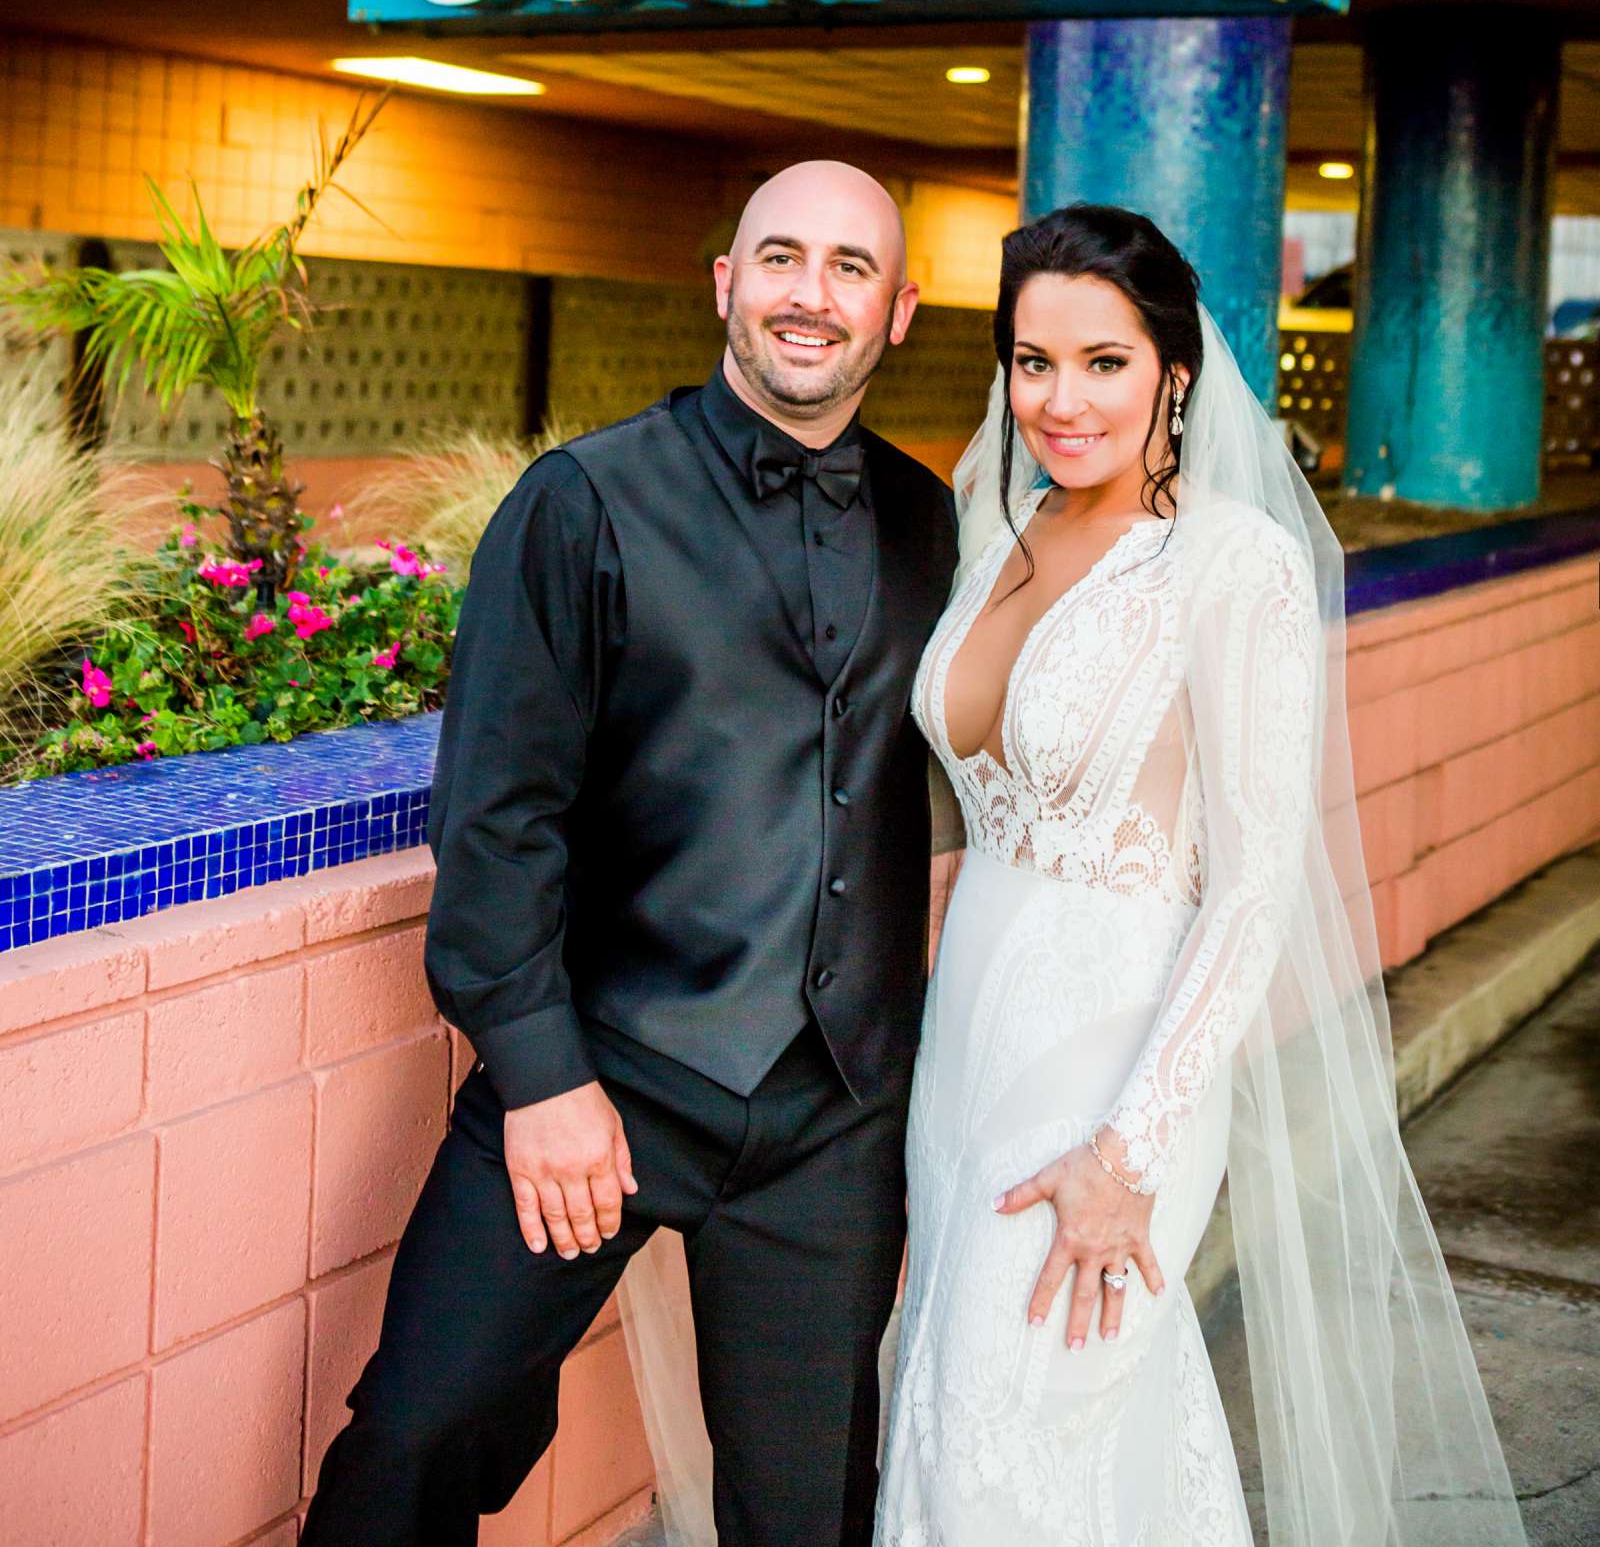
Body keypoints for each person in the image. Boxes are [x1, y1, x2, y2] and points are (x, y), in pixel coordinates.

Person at [301, 159, 958, 1547]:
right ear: (727, 285)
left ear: (899, 313)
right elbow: (495, 812)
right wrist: (541, 1079)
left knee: (808, 1506)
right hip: (604, 1071)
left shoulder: (927, 519)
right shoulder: (581, 499)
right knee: (416, 1438)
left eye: (851, 269)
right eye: (780, 257)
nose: (812, 294)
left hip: (831, 1121)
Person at [874, 203, 1528, 1547]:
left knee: (1011, 1432)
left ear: (1176, 369)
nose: (1063, 399)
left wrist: (1132, 1151)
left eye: (1104, 361)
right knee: (961, 1417)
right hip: (966, 1051)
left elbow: (1251, 887)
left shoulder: (1238, 565)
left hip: (1117, 1061)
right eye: (1032, 360)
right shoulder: (991, 528)